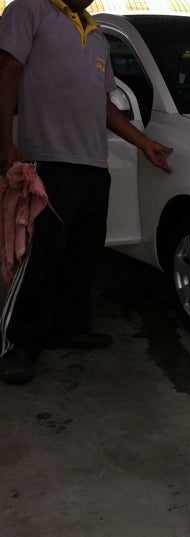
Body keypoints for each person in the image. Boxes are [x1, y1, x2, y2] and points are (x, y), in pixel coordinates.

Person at [0, 0, 173, 384]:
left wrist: (144, 143)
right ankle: (18, 344)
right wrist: (4, 141)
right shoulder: (29, 10)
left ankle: (69, 328)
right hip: (47, 159)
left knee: (83, 253)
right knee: (37, 258)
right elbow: (7, 71)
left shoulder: (97, 36)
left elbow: (103, 105)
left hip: (93, 163)